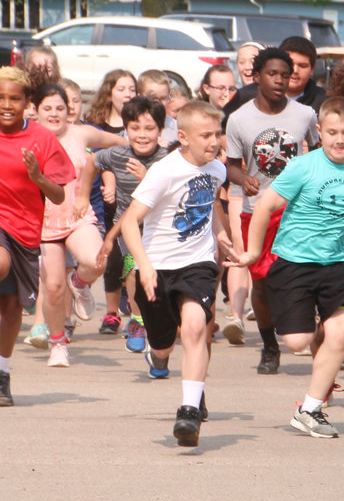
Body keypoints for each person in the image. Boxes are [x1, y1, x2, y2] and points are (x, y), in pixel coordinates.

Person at [236, 97, 344, 440]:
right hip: (294, 264)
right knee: (297, 342)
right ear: (319, 132)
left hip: (338, 267)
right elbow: (264, 208)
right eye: (333, 132)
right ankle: (318, 340)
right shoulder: (302, 167)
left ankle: (309, 409)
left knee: (340, 333)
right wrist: (252, 251)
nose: (340, 140)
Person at [116, 101, 230, 446]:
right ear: (183, 137)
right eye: (206, 135)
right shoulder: (164, 172)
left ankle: (189, 411)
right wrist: (144, 266)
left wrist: (223, 237)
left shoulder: (217, 170)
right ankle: (159, 353)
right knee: (163, 343)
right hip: (157, 267)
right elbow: (128, 224)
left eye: (217, 134)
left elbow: (212, 206)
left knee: (196, 327)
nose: (214, 141)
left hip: (197, 265)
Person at [224, 47, 319, 375]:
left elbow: (319, 154)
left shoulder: (304, 114)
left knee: (302, 276)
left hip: (298, 210)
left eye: (285, 74)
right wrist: (243, 179)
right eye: (272, 74)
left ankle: (304, 331)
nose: (279, 80)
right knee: (262, 283)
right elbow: (230, 167)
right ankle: (269, 345)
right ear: (256, 76)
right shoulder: (239, 119)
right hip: (256, 210)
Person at [29, 85, 123, 365]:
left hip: (77, 215)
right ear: (36, 110)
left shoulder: (80, 133)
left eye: (60, 108)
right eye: (48, 108)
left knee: (97, 261)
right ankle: (58, 344)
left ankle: (80, 284)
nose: (55, 114)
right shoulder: (27, 137)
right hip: (43, 223)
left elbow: (118, 142)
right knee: (54, 287)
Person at [0, 67, 75, 406]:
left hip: (27, 230)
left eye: (14, 98)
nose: (6, 105)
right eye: (0, 98)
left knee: (12, 308)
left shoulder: (42, 139)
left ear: (27, 103)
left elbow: (58, 196)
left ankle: (2, 375)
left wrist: (37, 176)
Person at [95, 96, 176, 353]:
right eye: (135, 128)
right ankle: (138, 322)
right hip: (127, 228)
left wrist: (147, 178)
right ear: (125, 129)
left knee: (160, 280)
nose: (142, 135)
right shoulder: (117, 154)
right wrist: (93, 192)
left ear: (161, 130)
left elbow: (171, 198)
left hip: (162, 230)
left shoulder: (168, 160)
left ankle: (162, 326)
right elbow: (94, 161)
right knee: (132, 269)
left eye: (149, 128)